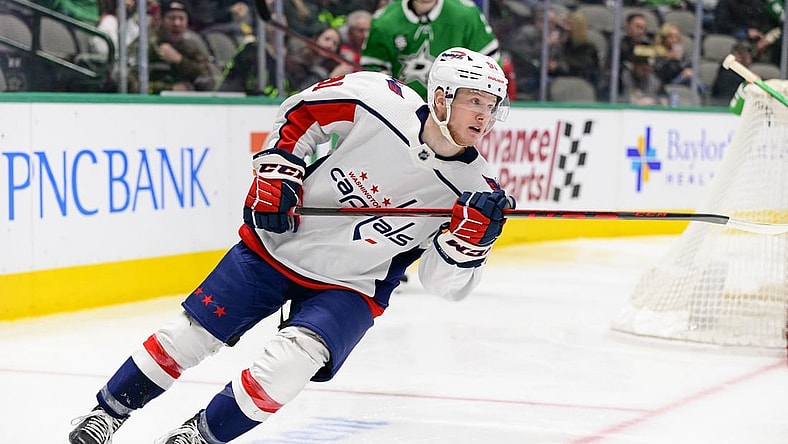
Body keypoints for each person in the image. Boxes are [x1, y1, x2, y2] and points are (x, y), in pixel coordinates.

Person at [68, 46, 515, 444]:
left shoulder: (476, 189)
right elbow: (302, 115)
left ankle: (198, 436)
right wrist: (279, 168)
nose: (484, 116)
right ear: (441, 97)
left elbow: (443, 285)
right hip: (281, 246)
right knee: (190, 336)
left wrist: (467, 245)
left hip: (352, 285)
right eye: (474, 101)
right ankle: (106, 413)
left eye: (492, 106)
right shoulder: (378, 99)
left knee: (290, 366)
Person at [361, 0, 500, 100]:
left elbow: (490, 62)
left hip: (453, 107)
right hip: (402, 109)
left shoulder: (466, 15)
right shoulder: (384, 21)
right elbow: (373, 70)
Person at [127, 0, 217, 93]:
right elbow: (129, 82)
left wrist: (180, 61)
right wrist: (168, 89)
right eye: (171, 18)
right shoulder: (144, 44)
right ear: (161, 21)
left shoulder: (192, 45)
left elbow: (208, 79)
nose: (176, 23)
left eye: (181, 18)